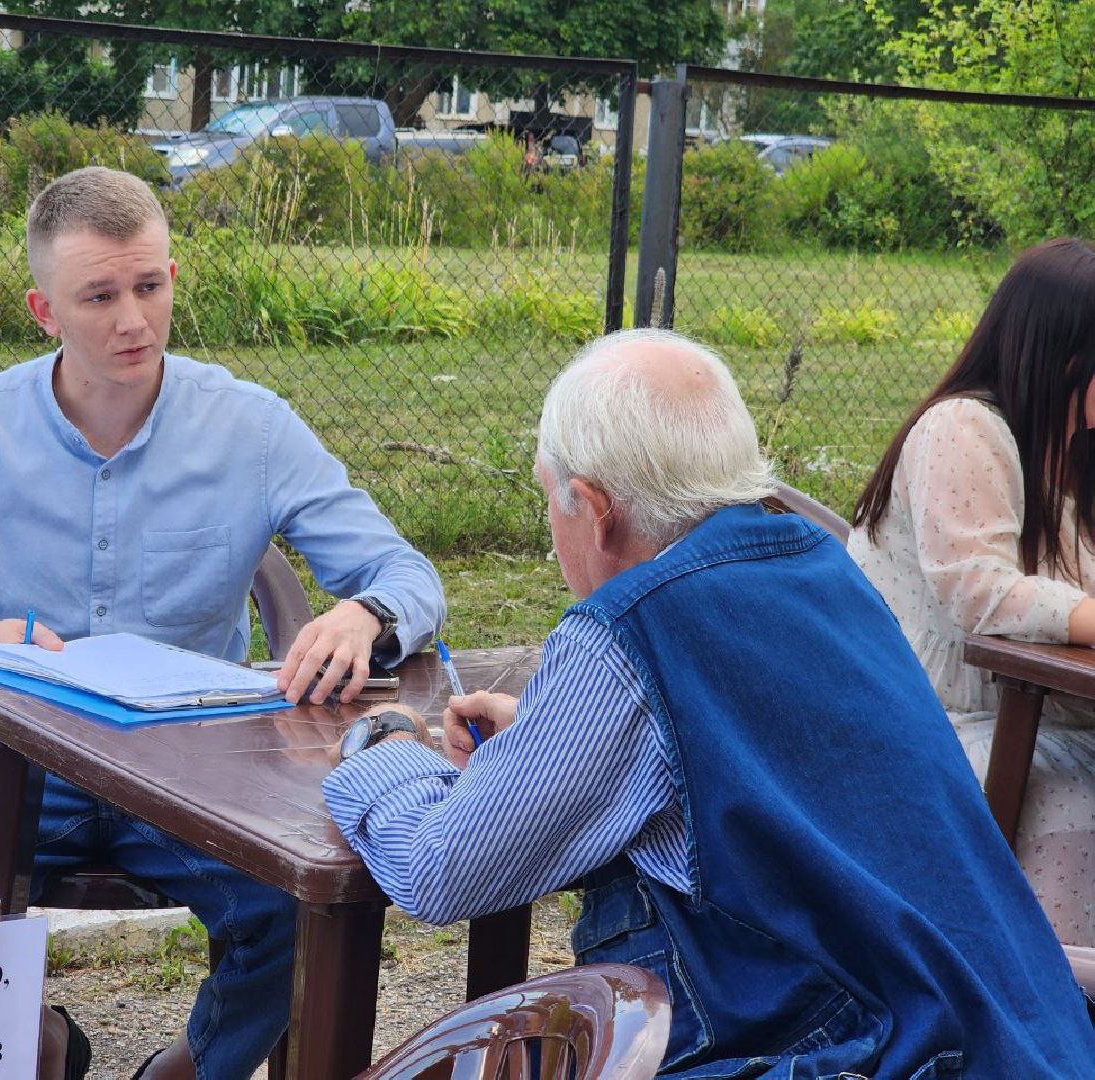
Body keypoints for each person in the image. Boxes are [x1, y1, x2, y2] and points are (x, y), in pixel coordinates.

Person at [324, 328, 1095, 1077]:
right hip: (1017, 1036)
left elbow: (439, 868)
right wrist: (549, 739)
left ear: (594, 508)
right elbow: (780, 755)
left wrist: (385, 749)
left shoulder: (632, 628)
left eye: (547, 501)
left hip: (860, 1052)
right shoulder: (818, 571)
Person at [0, 166, 445, 1080]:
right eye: (99, 296)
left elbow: (409, 575)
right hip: (3, 748)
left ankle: (188, 1070)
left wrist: (365, 614)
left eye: (150, 285)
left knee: (300, 906)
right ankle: (41, 1045)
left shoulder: (249, 427)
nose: (133, 319)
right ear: (43, 311)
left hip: (191, 759)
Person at [848, 237, 1095, 949]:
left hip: (1047, 708)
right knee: (1080, 804)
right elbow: (980, 593)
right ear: (1061, 353)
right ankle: (1054, 1013)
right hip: (942, 719)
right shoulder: (964, 429)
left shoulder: (1072, 446)